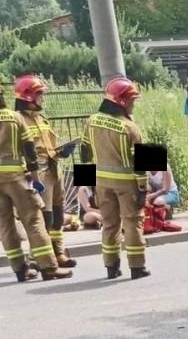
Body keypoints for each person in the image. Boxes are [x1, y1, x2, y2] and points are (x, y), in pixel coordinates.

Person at [80, 75, 149, 280]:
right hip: (127, 184)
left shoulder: (92, 121)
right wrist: (143, 189)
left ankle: (111, 267)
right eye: (133, 101)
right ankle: (137, 267)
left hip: (101, 183)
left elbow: (85, 154)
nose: (134, 106)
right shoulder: (131, 128)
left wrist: (88, 183)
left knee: (109, 224)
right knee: (132, 222)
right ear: (123, 101)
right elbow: (141, 164)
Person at [0, 83, 71, 281]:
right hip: (16, 176)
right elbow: (30, 151)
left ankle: (20, 270)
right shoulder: (15, 118)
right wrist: (35, 179)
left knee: (5, 224)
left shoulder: (36, 117)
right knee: (34, 219)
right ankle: (48, 267)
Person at [13, 73, 76, 269]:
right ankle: (37, 259)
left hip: (54, 170)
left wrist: (62, 151)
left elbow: (49, 146)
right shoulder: (19, 121)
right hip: (38, 175)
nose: (43, 98)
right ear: (28, 96)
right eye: (39, 94)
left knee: (58, 215)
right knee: (43, 219)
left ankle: (59, 253)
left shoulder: (42, 119)